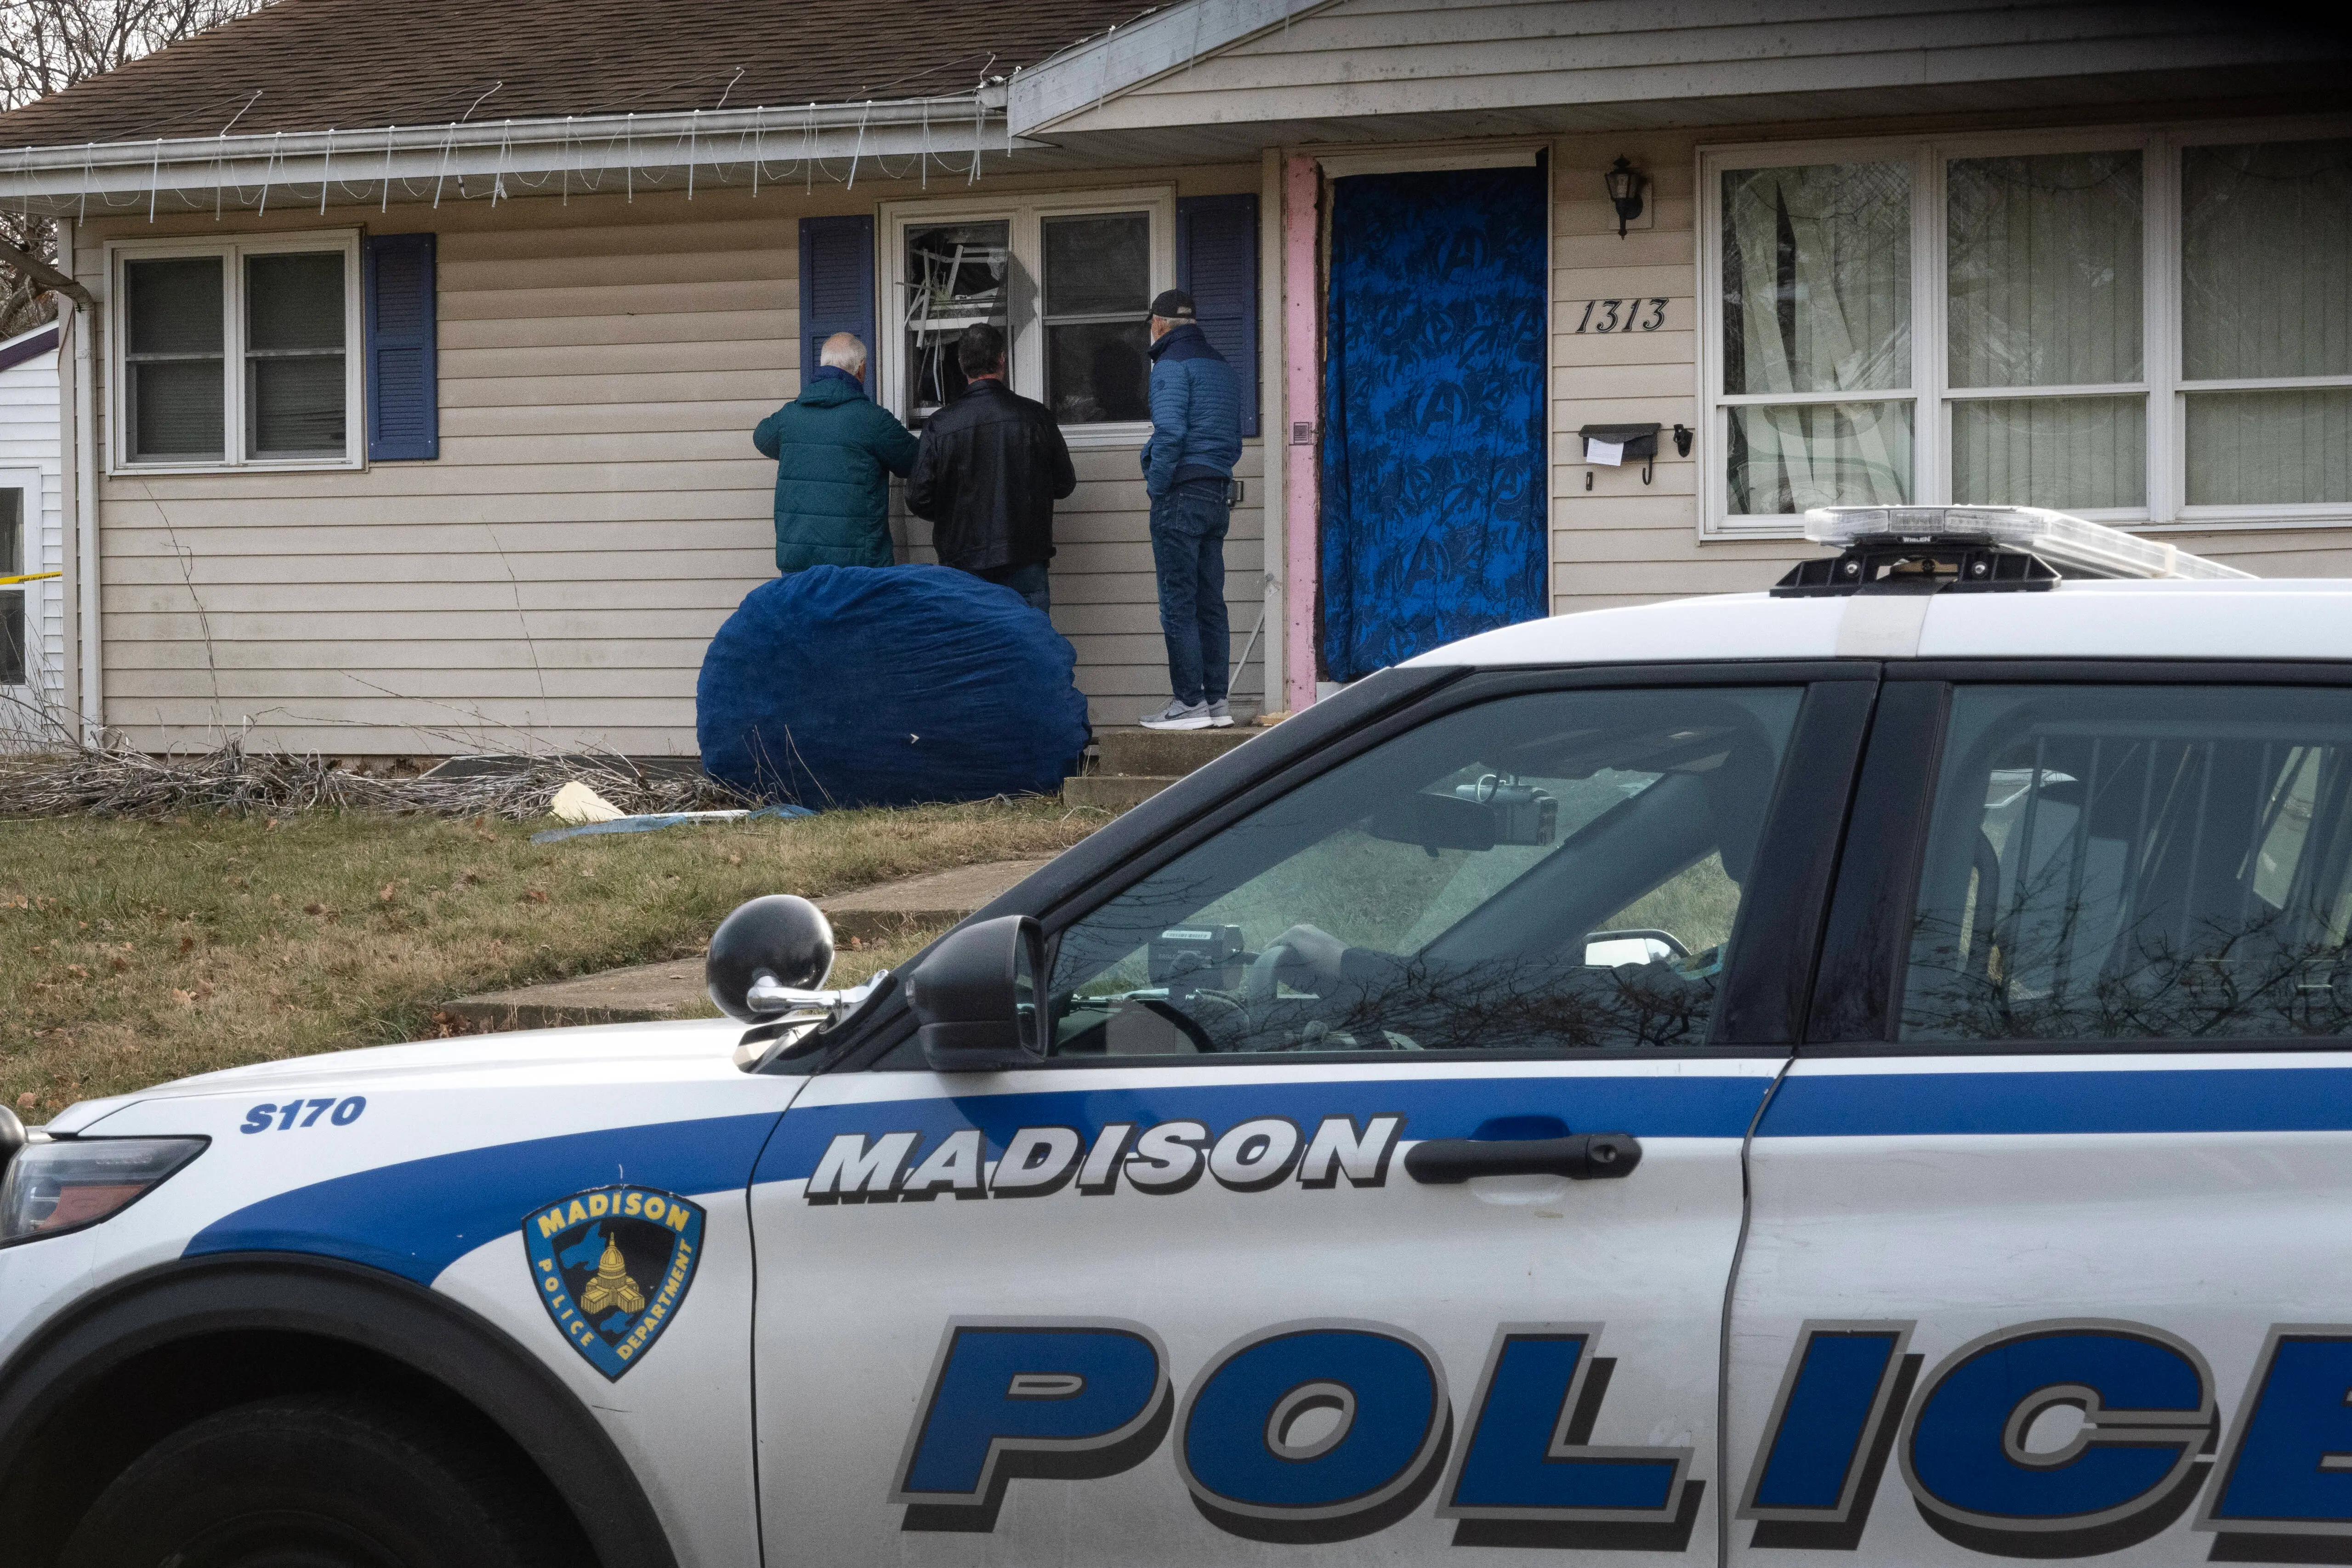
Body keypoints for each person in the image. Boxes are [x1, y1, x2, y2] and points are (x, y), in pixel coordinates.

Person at [905, 324, 1076, 613]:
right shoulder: (1035, 417)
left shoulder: (941, 424)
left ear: (961, 365)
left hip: (962, 562)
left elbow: (918, 497)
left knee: (972, 653)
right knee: (1028, 651)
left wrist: (954, 511)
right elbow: (1064, 483)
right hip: (1025, 558)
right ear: (1002, 359)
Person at [1137, 289, 1243, 731]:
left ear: (1159, 323)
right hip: (1218, 492)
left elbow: (1170, 434)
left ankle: (1188, 702)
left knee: (1177, 603)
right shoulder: (1222, 365)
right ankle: (1216, 701)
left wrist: (1158, 486)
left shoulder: (1169, 366)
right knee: (1209, 602)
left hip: (1180, 493)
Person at [753, 332, 919, 574]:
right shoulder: (873, 420)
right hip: (858, 568)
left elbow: (761, 437)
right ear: (861, 370)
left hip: (799, 566)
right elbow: (915, 460)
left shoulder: (790, 417)